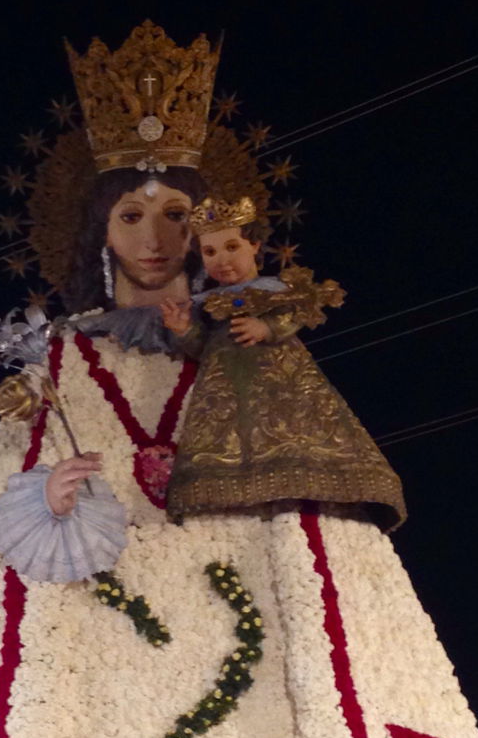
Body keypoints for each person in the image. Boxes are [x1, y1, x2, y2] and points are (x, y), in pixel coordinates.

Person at [157, 195, 405, 527]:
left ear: (255, 246)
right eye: (210, 252)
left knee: (290, 436)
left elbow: (295, 315)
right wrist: (184, 330)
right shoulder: (209, 304)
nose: (221, 260)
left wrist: (268, 327)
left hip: (281, 384)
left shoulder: (275, 289)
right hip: (225, 394)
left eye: (231, 247)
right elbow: (205, 348)